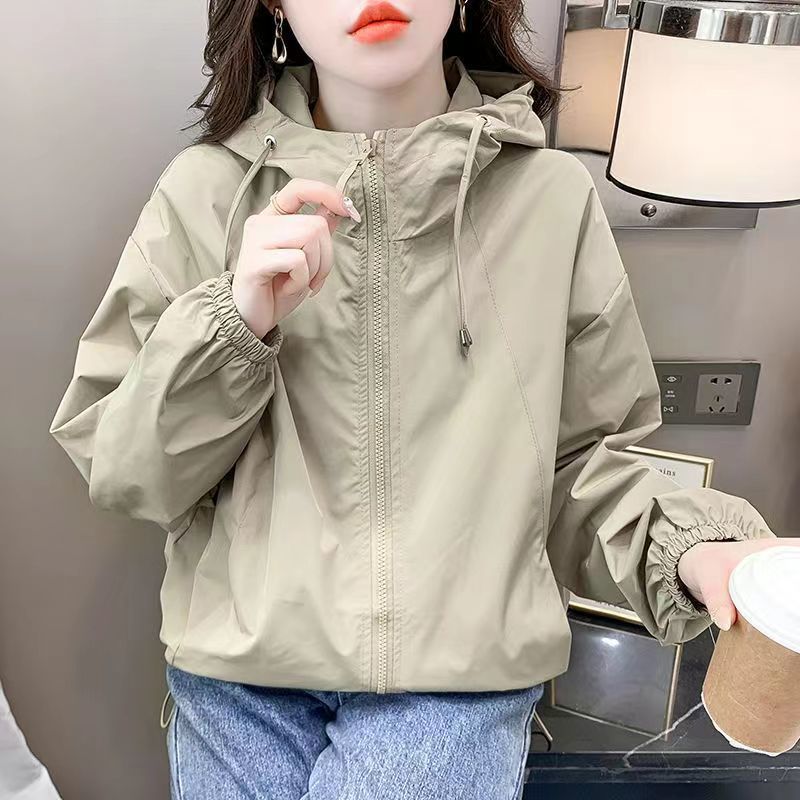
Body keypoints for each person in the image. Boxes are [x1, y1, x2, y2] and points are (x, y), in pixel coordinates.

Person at [48, 1, 794, 798]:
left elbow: (584, 465)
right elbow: (130, 472)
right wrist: (235, 322)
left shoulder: (549, 198)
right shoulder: (204, 193)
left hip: (456, 689)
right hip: (236, 686)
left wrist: (696, 547)